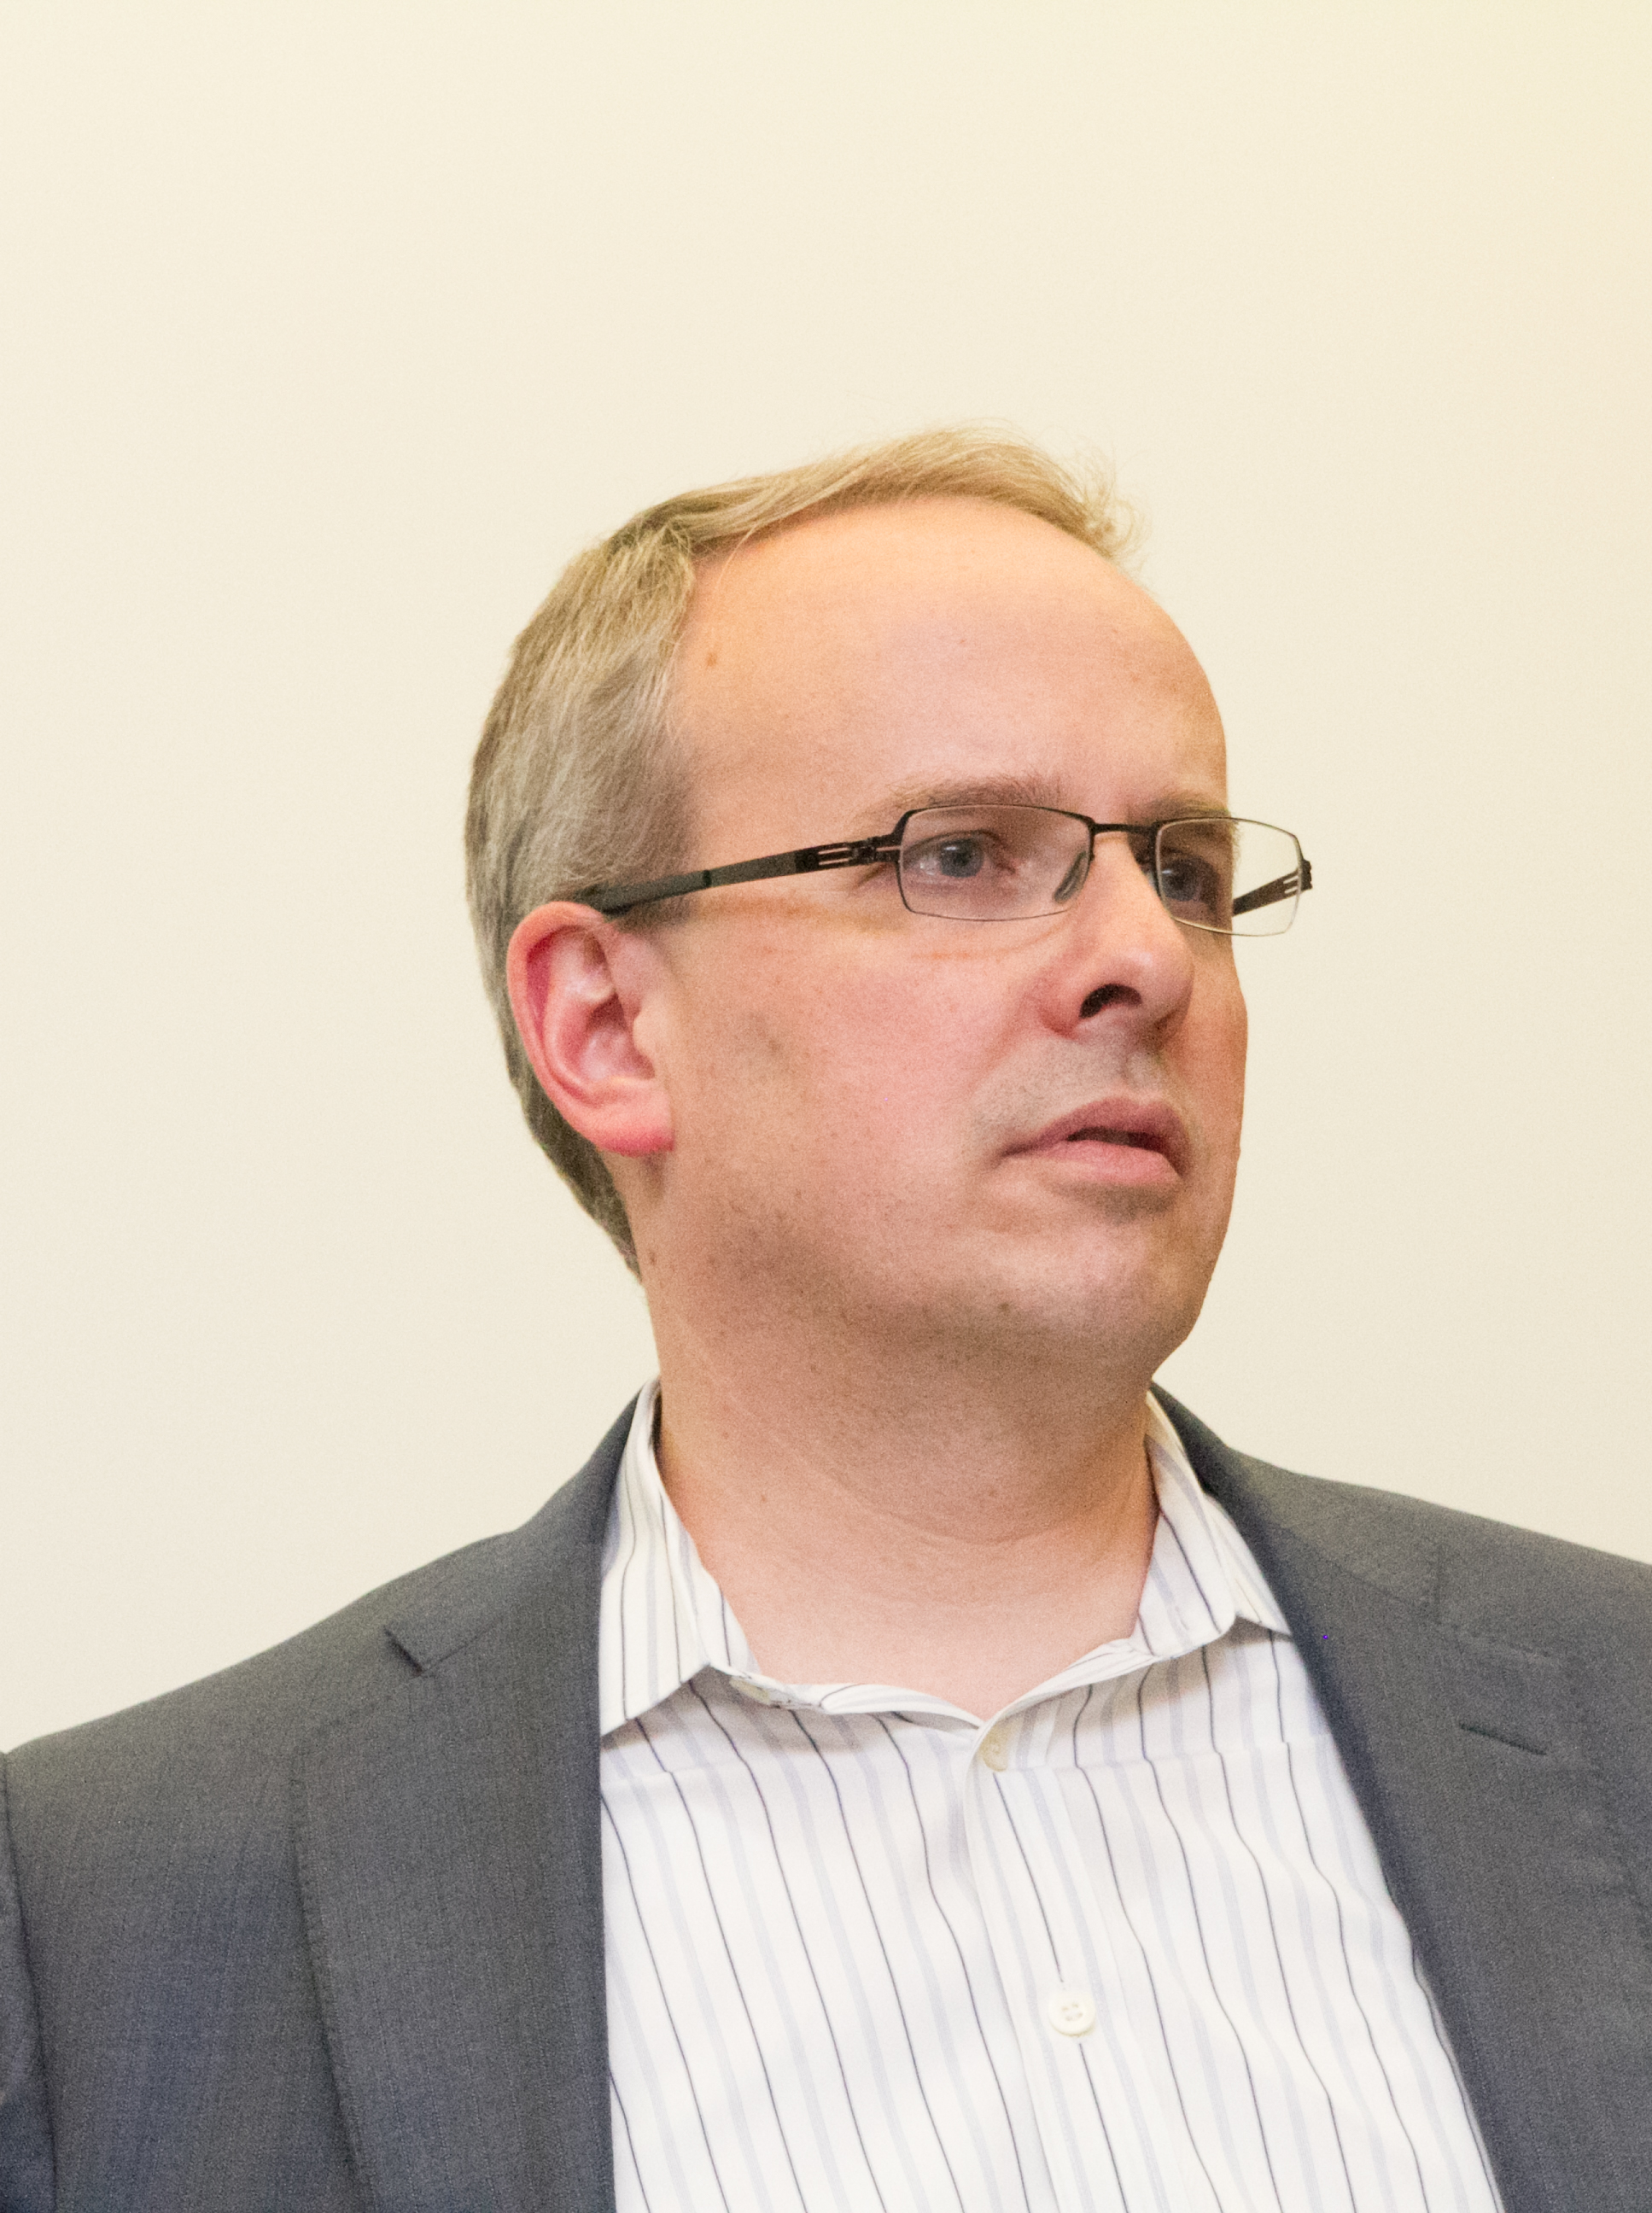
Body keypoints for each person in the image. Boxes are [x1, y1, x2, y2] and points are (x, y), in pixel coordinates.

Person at [3, 430, 1648, 2213]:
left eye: (1181, 869)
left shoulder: (1611, 1716)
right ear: (607, 1028)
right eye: (961, 856)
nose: (1149, 959)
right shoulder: (107, 1927)